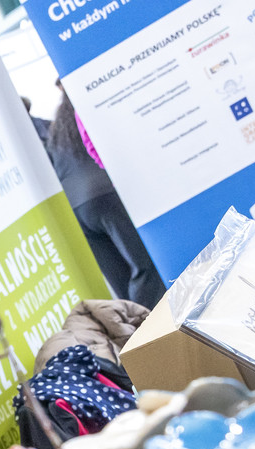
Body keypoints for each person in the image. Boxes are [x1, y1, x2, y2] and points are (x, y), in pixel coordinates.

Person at [45, 88, 167, 308]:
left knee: (119, 280)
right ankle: (149, 324)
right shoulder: (91, 110)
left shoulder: (57, 130)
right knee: (143, 266)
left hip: (76, 209)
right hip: (105, 194)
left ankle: (132, 323)